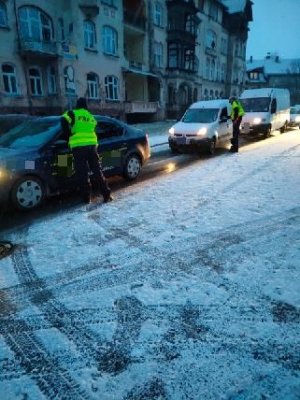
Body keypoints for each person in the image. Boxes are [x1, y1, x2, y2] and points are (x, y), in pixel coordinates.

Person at [61, 97, 113, 204]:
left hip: (79, 147)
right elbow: (92, 128)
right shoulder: (90, 117)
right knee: (97, 171)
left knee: (82, 173)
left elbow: (63, 120)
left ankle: (86, 198)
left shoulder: (73, 113)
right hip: (92, 146)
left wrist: (68, 134)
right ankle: (106, 194)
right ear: (86, 106)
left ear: (77, 105)